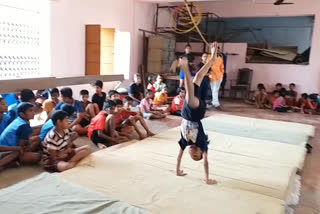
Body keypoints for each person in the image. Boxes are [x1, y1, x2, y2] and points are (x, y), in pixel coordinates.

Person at [176, 43, 218, 185]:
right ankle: (185, 69)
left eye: (191, 155)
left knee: (198, 77)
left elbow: (179, 157)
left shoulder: (185, 142)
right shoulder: (201, 142)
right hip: (196, 112)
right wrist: (207, 179)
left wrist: (177, 171)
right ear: (200, 151)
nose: (192, 153)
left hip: (186, 113)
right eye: (196, 155)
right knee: (190, 92)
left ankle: (211, 60)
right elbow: (206, 162)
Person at [209, 45, 224, 110]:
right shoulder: (209, 58)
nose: (216, 51)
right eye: (214, 49)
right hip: (212, 76)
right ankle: (216, 104)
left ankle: (214, 102)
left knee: (215, 90)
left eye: (217, 50)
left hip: (219, 76)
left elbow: (222, 67)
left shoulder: (220, 58)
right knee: (214, 90)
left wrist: (222, 73)